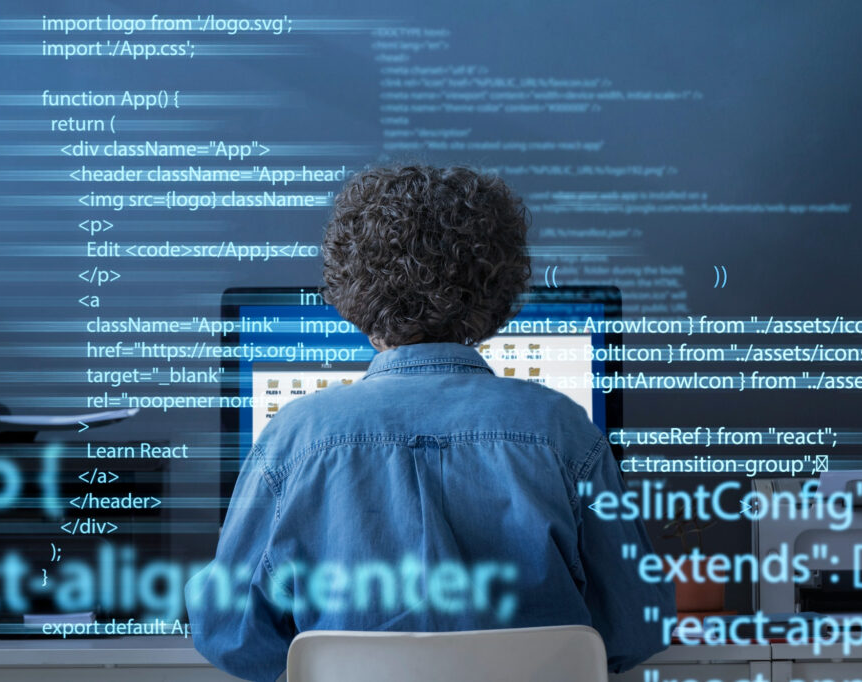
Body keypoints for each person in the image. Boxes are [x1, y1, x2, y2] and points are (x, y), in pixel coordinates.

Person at [186, 164, 675, 681]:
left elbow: (233, 639)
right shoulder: (563, 430)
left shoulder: (294, 438)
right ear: (496, 287)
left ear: (354, 290)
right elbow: (638, 627)